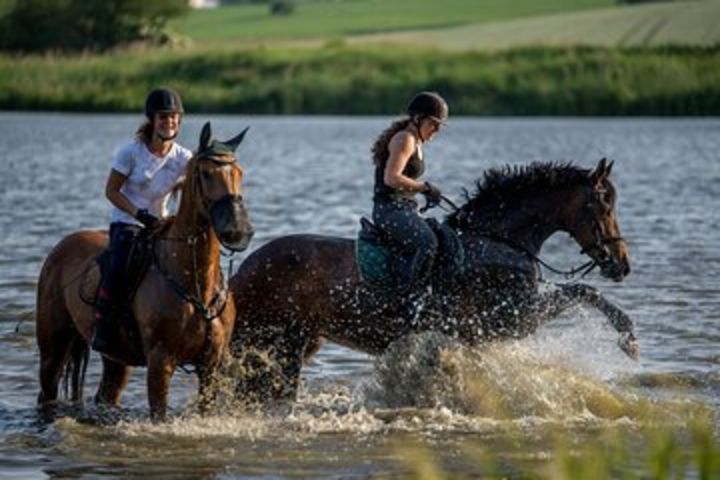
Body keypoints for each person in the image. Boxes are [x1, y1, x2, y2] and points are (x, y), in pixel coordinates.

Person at [93, 87, 193, 353]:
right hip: (128, 221)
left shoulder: (184, 158)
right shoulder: (130, 152)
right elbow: (111, 191)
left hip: (162, 224)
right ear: (152, 120)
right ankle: (103, 326)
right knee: (119, 266)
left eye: (174, 117)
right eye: (163, 117)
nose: (169, 122)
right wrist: (139, 214)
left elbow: (194, 190)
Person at [371, 91, 448, 294]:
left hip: (404, 208)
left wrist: (425, 193)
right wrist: (424, 187)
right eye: (433, 123)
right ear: (417, 118)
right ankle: (410, 298)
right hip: (389, 210)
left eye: (440, 125)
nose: (437, 130)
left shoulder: (417, 141)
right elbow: (391, 178)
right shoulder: (404, 139)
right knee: (428, 242)